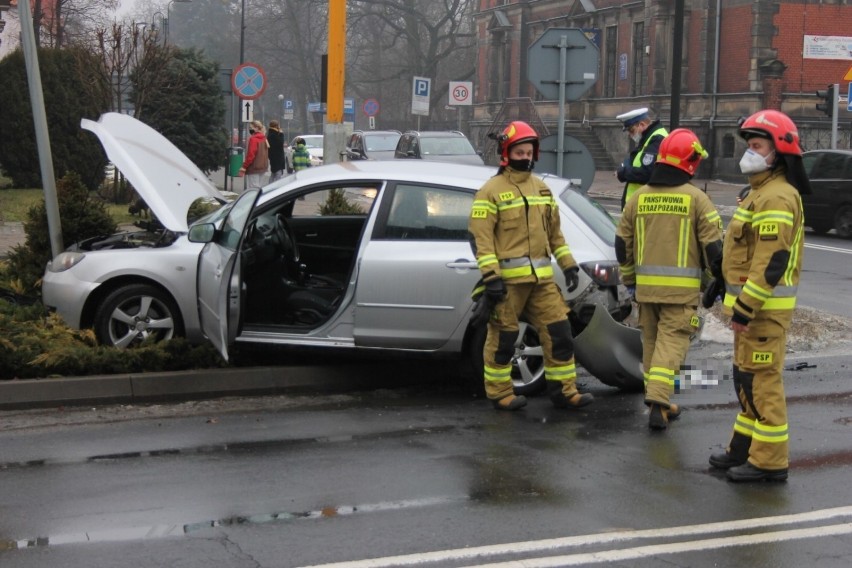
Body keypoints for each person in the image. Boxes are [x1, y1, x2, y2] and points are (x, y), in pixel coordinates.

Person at [707, 109, 810, 483]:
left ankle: (769, 462)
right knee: (746, 379)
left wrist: (746, 307)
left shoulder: (777, 197)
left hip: (763, 312)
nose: (748, 152)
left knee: (762, 383)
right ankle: (743, 448)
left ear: (777, 151)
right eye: (748, 145)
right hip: (752, 312)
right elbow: (744, 252)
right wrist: (721, 282)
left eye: (755, 146)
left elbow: (771, 262)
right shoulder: (759, 193)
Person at [467, 121, 593, 411]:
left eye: (529, 152)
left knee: (560, 331)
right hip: (507, 285)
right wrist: (491, 277)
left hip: (542, 282)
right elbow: (480, 238)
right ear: (506, 153)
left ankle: (564, 391)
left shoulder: (543, 189)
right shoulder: (490, 191)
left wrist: (569, 266)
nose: (526, 157)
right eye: (519, 152)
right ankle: (500, 394)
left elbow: (555, 235)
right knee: (503, 339)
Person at [615, 128, 724, 430]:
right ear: (690, 163)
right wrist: (717, 282)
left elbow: (622, 244)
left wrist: (629, 281)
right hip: (682, 295)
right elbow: (714, 249)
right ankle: (659, 401)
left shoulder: (638, 198)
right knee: (671, 345)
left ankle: (657, 403)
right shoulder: (697, 200)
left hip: (646, 292)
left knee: (651, 345)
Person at [615, 107, 668, 210]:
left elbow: (647, 173)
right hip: (639, 205)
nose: (630, 135)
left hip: (644, 206)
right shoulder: (648, 138)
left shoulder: (656, 138)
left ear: (642, 125)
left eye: (631, 130)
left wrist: (623, 172)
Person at [240, 120, 269, 190]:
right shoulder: (264, 138)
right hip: (263, 167)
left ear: (256, 128)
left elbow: (251, 155)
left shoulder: (253, 139)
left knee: (253, 189)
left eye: (251, 127)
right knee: (259, 188)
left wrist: (244, 167)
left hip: (254, 167)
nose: (250, 129)